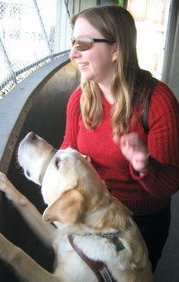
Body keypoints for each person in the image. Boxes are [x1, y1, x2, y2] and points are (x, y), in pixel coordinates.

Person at [60, 4, 179, 272]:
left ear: (116, 50)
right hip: (93, 217)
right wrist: (74, 162)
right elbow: (67, 149)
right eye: (73, 43)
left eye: (84, 43)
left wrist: (143, 164)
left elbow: (172, 182)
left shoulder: (158, 101)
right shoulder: (80, 99)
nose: (73, 53)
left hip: (141, 224)